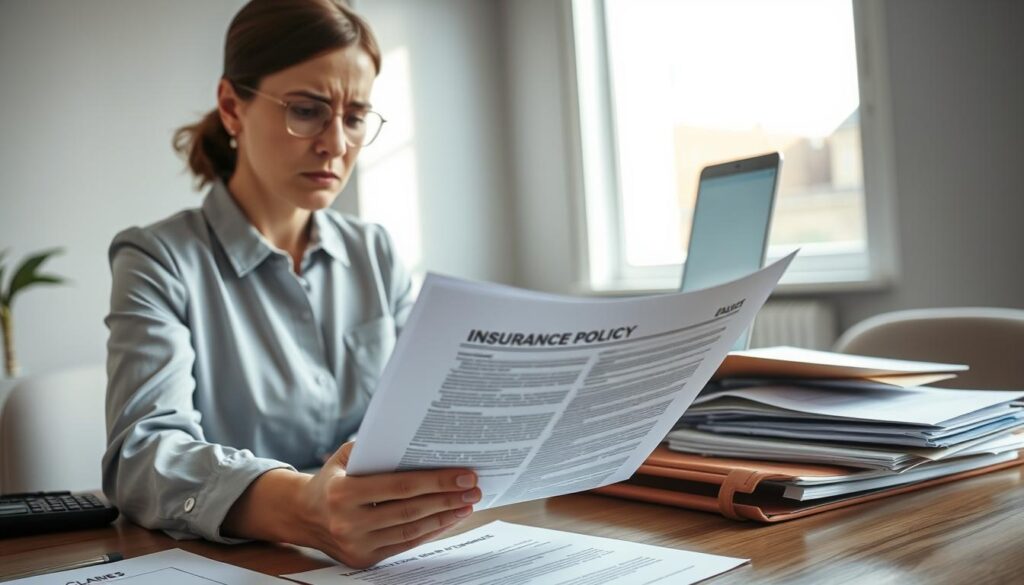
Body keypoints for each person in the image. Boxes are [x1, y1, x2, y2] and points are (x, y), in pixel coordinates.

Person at [102, 0, 478, 570]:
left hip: (387, 560)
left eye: (355, 117)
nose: (335, 143)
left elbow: (425, 415)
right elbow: (141, 456)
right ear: (232, 107)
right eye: (306, 110)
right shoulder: (159, 259)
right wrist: (304, 506)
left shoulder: (373, 252)